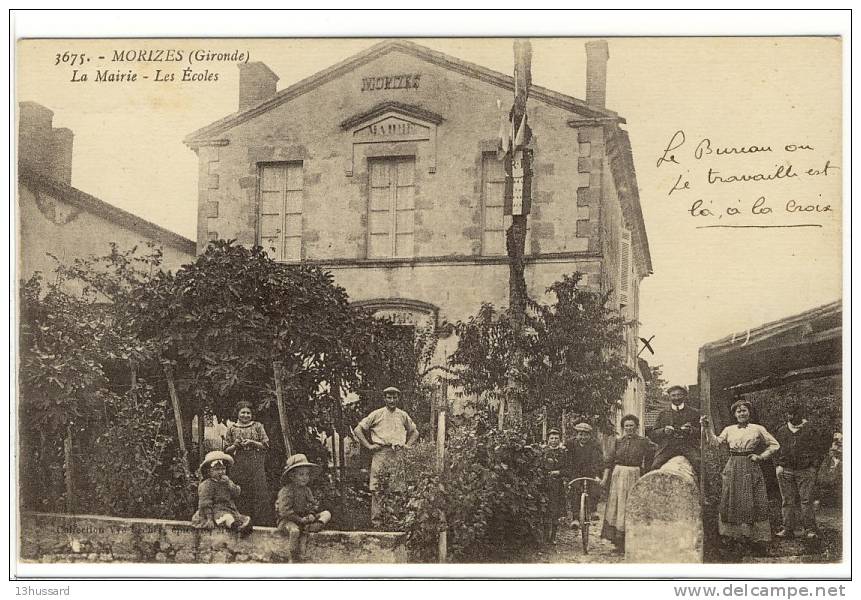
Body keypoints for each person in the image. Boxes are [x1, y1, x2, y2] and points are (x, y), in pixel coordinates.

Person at [702, 399, 780, 556]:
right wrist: (706, 428)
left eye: (744, 410)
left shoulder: (757, 429)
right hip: (733, 465)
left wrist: (761, 456)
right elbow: (715, 443)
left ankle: (754, 537)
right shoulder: (729, 429)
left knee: (751, 498)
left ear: (749, 413)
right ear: (734, 414)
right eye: (739, 411)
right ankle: (733, 536)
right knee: (731, 497)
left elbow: (775, 445)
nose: (742, 413)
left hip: (750, 465)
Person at [353, 386, 419, 526]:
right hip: (381, 453)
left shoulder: (402, 415)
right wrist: (369, 446)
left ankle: (395, 521)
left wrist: (407, 445)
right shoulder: (377, 414)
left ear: (398, 398)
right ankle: (377, 522)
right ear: (384, 398)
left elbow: (415, 432)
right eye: (389, 397)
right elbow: (358, 429)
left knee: (397, 488)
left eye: (394, 397)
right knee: (377, 487)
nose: (392, 400)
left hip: (397, 453)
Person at [600, 414, 656, 553]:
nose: (629, 428)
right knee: (617, 507)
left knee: (631, 506)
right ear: (623, 428)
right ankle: (618, 543)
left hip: (634, 475)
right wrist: (605, 478)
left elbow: (655, 452)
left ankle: (633, 541)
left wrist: (648, 471)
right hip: (618, 476)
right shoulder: (618, 441)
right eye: (626, 426)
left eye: (632, 426)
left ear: (636, 427)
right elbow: (609, 460)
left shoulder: (644, 442)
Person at [774, 404, 830, 540]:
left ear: (801, 415)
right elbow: (774, 448)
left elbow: (820, 449)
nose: (791, 417)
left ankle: (810, 530)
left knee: (806, 500)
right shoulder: (781, 431)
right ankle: (787, 529)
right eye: (789, 414)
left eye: (795, 414)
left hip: (805, 471)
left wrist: (814, 466)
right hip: (786, 470)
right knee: (787, 500)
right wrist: (778, 465)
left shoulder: (810, 430)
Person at [224, 400, 274, 526]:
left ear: (252, 415)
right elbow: (226, 450)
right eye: (243, 412)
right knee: (241, 491)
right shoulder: (232, 428)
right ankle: (242, 521)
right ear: (237, 413)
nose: (245, 415)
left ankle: (260, 523)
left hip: (256, 463)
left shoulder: (257, 426)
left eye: (248, 413)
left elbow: (266, 444)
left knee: (258, 491)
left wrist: (252, 442)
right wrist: (235, 445)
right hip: (239, 464)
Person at [275, 453, 332, 563]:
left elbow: (312, 505)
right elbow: (284, 512)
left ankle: (315, 526)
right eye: (301, 474)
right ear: (292, 476)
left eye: (307, 474)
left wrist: (311, 514)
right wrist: (300, 519)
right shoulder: (286, 491)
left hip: (303, 519)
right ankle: (293, 556)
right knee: (295, 531)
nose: (305, 477)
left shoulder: (306, 490)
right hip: (288, 520)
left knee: (326, 513)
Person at [191, 450, 252, 534]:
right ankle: (236, 527)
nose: (221, 472)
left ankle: (239, 526)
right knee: (227, 518)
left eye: (223, 469)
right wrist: (209, 519)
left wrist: (230, 484)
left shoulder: (226, 482)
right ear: (209, 471)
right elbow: (205, 503)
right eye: (217, 469)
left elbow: (236, 493)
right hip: (214, 511)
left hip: (228, 509)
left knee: (241, 518)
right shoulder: (207, 484)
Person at [649, 385, 701, 474]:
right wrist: (664, 431)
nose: (676, 398)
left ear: (684, 396)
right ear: (669, 397)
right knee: (655, 466)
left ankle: (702, 488)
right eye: (673, 395)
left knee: (699, 465)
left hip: (688, 446)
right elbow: (653, 433)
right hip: (668, 447)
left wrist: (691, 430)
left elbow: (701, 432)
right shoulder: (663, 413)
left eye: (679, 395)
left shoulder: (694, 412)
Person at [565, 422, 604, 526]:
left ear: (590, 435)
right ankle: (576, 518)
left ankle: (593, 510)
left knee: (595, 487)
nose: (583, 437)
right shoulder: (570, 444)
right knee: (575, 491)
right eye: (580, 434)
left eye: (586, 434)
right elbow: (566, 458)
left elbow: (598, 461)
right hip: (575, 472)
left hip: (591, 471)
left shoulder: (595, 445)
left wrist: (597, 475)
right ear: (576, 435)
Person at [541, 428, 567, 543]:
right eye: (551, 438)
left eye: (556, 438)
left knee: (555, 510)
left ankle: (553, 537)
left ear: (559, 440)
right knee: (545, 509)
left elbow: (568, 469)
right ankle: (546, 535)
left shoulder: (563, 453)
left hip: (558, 485)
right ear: (548, 440)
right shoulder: (543, 452)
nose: (554, 441)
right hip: (544, 484)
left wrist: (559, 472)